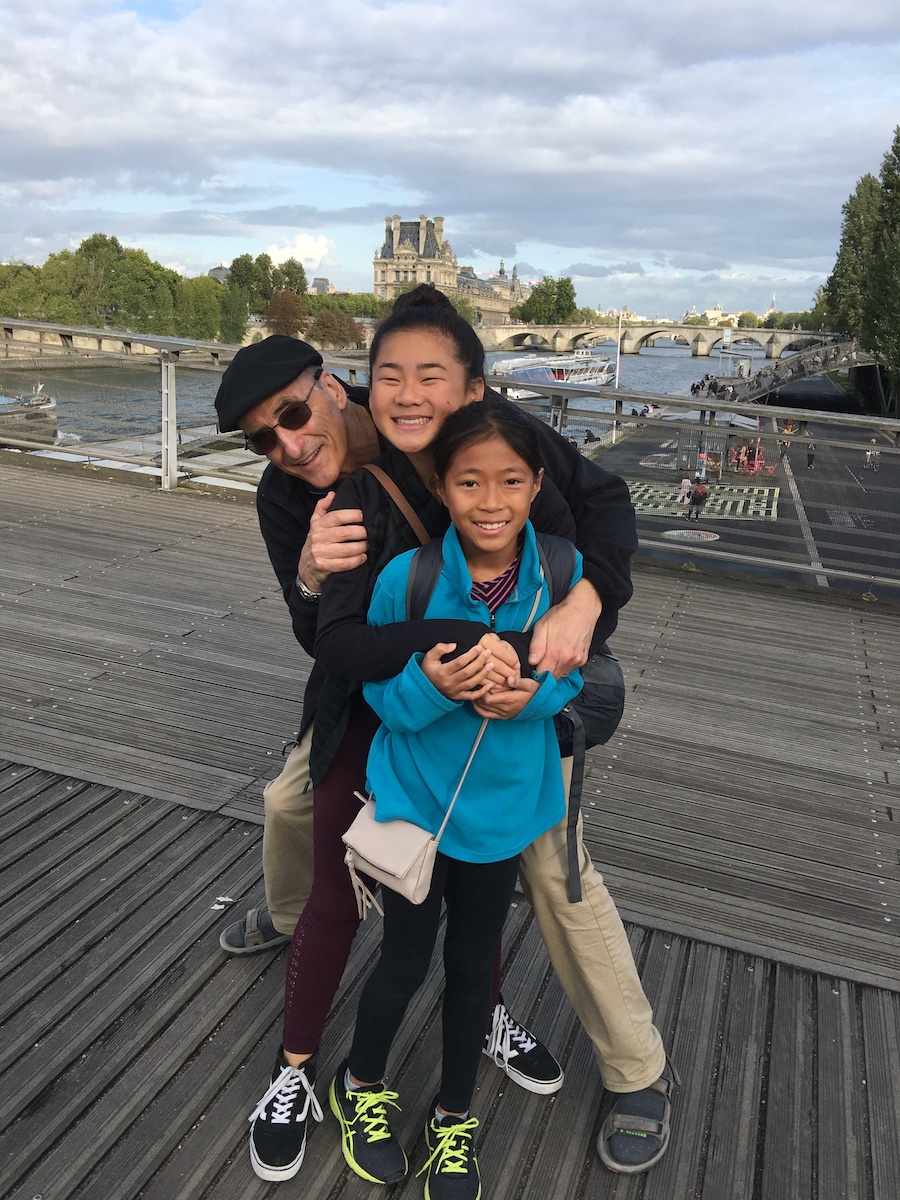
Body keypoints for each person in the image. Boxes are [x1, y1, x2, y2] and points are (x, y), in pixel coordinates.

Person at [328, 398, 584, 1197]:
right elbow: (378, 697)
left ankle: (454, 1117)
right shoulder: (408, 579)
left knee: (475, 969)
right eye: (469, 482)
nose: (491, 501)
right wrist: (431, 687)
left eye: (510, 481)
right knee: (403, 961)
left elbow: (573, 677)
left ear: (536, 485)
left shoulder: (561, 576)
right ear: (441, 488)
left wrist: (532, 699)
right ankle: (360, 1085)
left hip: (500, 816)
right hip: (418, 809)